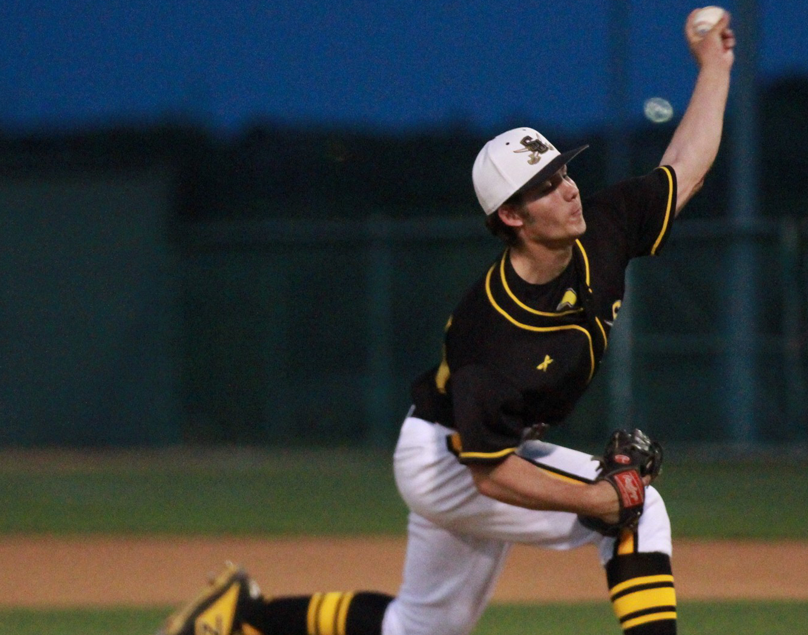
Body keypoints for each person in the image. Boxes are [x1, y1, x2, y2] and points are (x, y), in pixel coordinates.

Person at [159, 8, 735, 635]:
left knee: (421, 628)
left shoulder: (603, 228)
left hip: (469, 447)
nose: (569, 189)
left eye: (564, 172)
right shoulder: (489, 333)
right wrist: (601, 498)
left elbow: (685, 169)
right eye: (546, 185)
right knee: (637, 510)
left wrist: (715, 67)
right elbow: (489, 473)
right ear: (512, 216)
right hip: (451, 461)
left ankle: (244, 617)